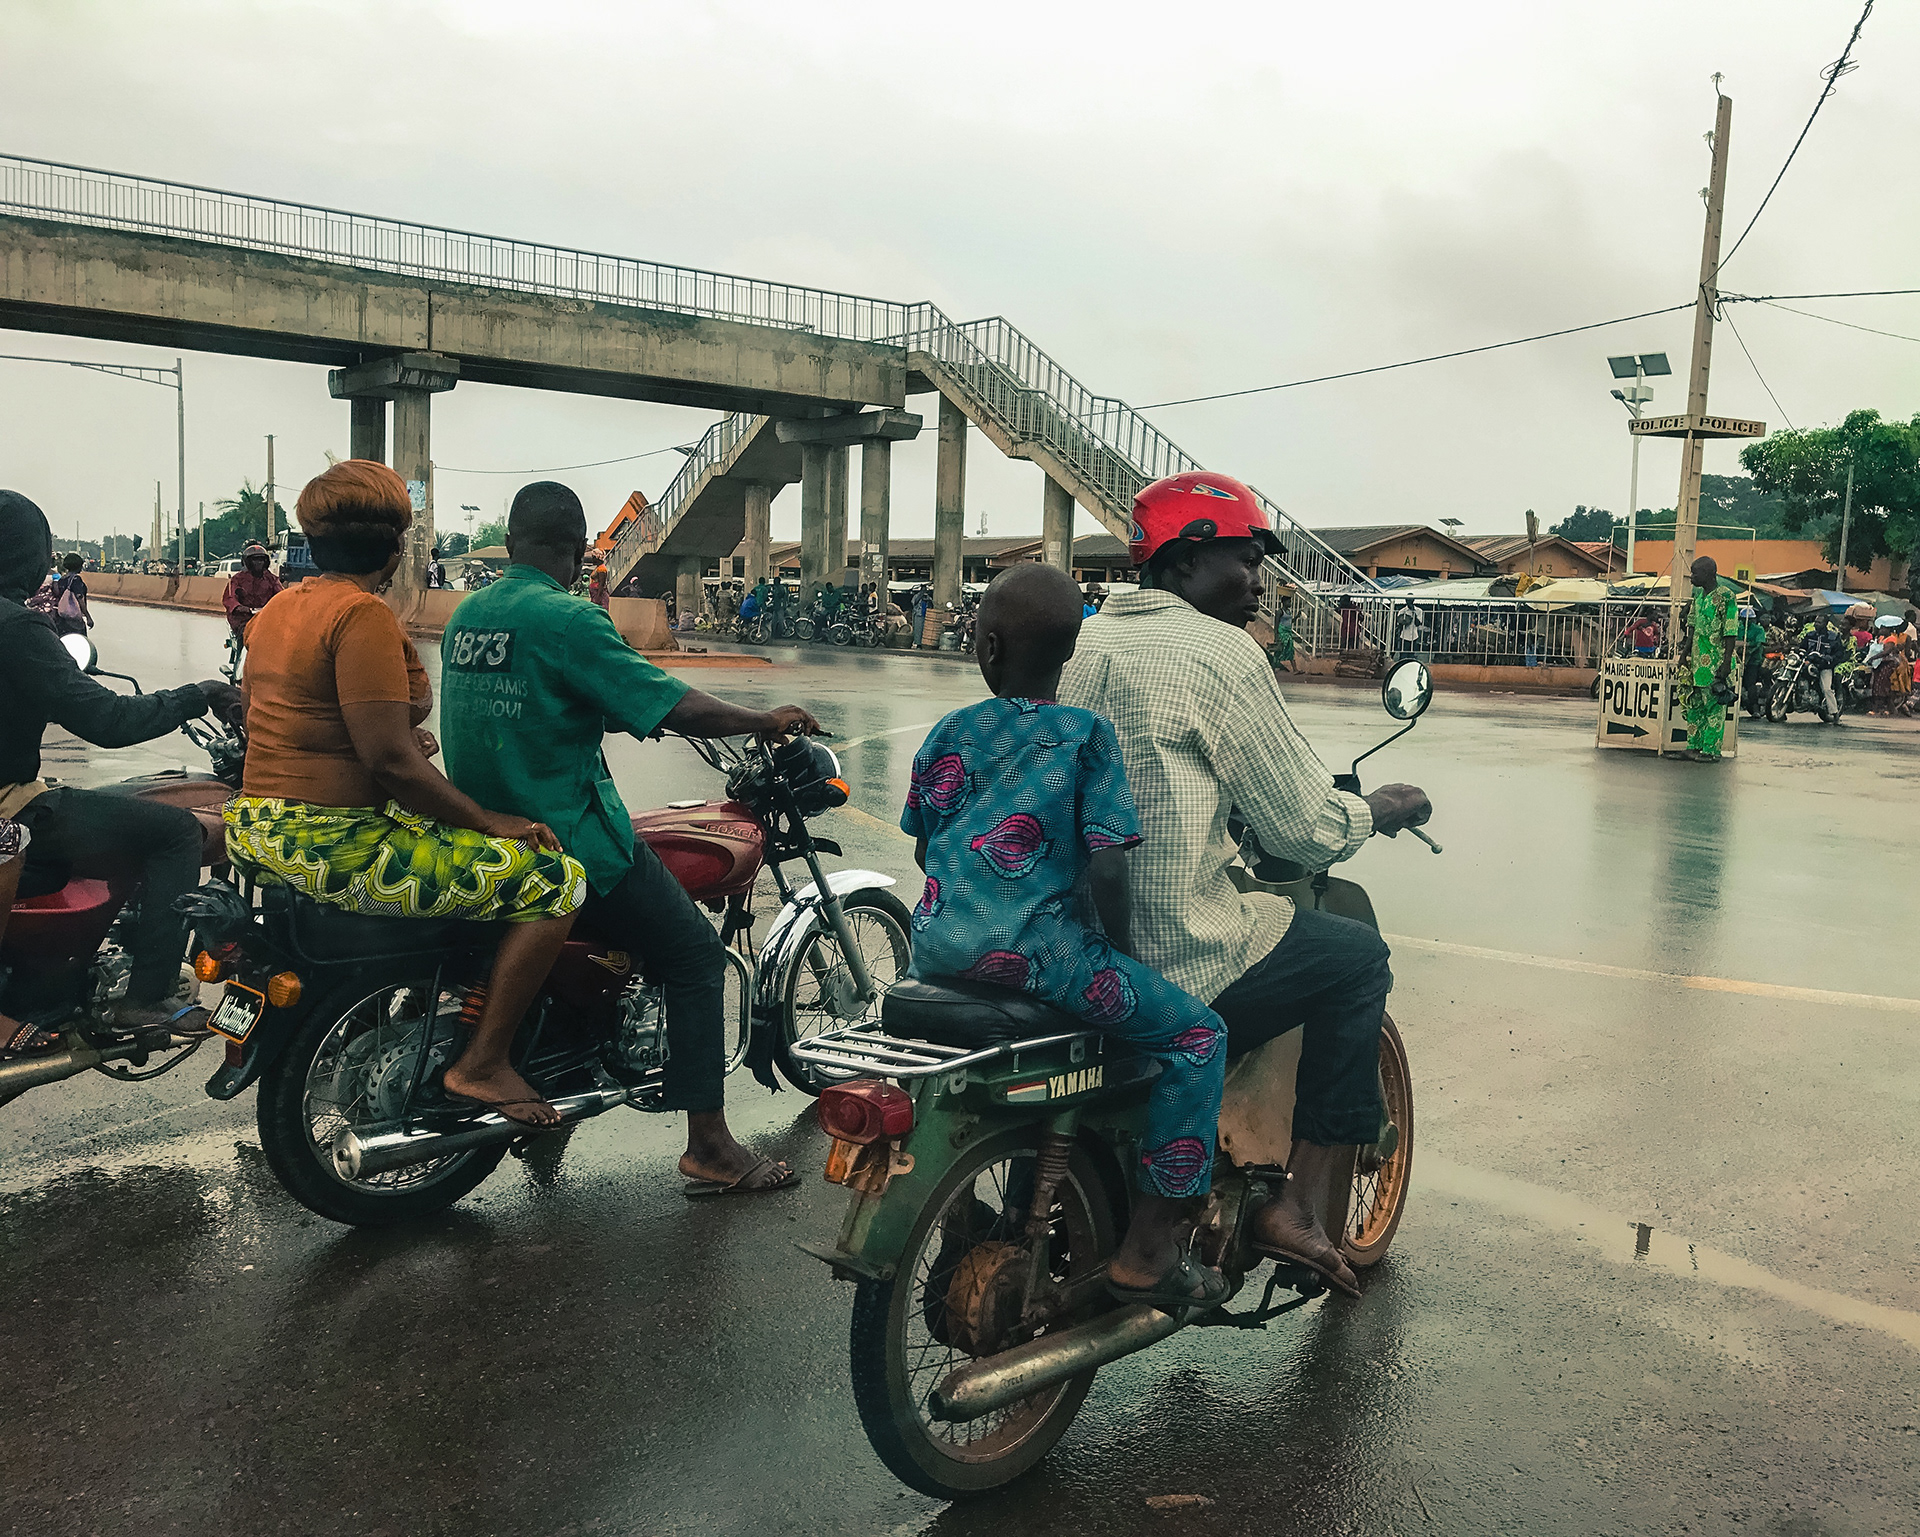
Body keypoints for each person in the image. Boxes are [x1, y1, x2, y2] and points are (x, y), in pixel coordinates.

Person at [1059, 471, 1431, 1299]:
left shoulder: (1082, 640)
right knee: (1357, 956)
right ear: (1189, 558)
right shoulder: (1221, 652)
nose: (1260, 581)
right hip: (1173, 952)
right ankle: (1296, 1204)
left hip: (1065, 943)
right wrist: (1378, 808)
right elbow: (1301, 826)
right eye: (1247, 558)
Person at [439, 482, 820, 1192]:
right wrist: (761, 720)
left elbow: (560, 699)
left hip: (482, 836)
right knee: (696, 955)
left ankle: (565, 1079)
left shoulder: (470, 612)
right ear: (579, 549)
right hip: (570, 838)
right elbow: (675, 703)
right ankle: (710, 1144)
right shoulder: (568, 617)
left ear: (512, 539)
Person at [903, 563, 1231, 1308]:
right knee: (1198, 1037)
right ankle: (1150, 1248)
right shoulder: (1084, 734)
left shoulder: (950, 730)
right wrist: (1119, 954)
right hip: (1041, 962)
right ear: (1070, 655)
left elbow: (925, 848)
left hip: (938, 951)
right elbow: (1109, 867)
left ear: (986, 647)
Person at [222, 461, 588, 1126]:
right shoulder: (359, 614)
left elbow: (284, 723)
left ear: (313, 542)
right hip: (331, 842)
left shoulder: (277, 609)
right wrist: (491, 820)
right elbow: (389, 759)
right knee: (556, 881)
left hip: (258, 828)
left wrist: (386, 748)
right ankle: (482, 1062)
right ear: (394, 549)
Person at [0, 491, 242, 1029]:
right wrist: (198, 694)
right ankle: (147, 998)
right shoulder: (16, 628)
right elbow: (109, 723)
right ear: (30, 553)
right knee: (176, 832)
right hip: (10, 808)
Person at [1679, 556, 1737, 762]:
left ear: (1708, 574)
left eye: (1695, 573)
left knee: (1713, 708)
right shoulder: (1698, 596)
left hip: (1715, 661)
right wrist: (1684, 654)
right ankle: (1693, 746)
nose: (1692, 577)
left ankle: (1711, 751)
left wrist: (1726, 662)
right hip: (1696, 663)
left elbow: (1731, 630)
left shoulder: (1726, 596)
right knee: (1695, 706)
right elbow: (1692, 627)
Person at [221, 541, 282, 642]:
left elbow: (281, 595)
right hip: (243, 618)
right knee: (245, 634)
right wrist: (239, 607)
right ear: (247, 562)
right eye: (255, 560)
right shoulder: (237, 579)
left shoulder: (272, 579)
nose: (259, 563)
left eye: (261, 560)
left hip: (266, 617)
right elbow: (230, 598)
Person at [1800, 612, 1845, 725]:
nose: (1816, 624)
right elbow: (1802, 647)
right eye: (1815, 621)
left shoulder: (1833, 637)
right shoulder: (1810, 635)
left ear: (1825, 624)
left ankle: (1835, 715)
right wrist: (1801, 653)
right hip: (1809, 663)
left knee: (1826, 689)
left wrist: (1829, 659)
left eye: (1819, 622)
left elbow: (1839, 653)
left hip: (1824, 666)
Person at [49, 552, 93, 638]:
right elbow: (80, 599)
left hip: (62, 619)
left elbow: (57, 594)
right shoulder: (76, 579)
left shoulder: (62, 579)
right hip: (74, 620)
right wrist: (88, 617)